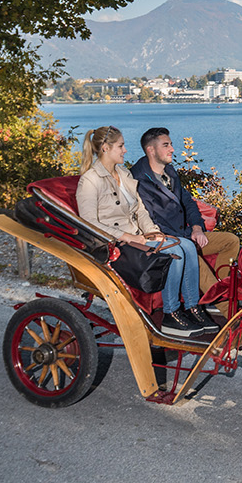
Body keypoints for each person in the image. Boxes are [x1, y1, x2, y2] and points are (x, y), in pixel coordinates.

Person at [74, 126, 211, 335]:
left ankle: (193, 307)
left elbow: (140, 208)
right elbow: (89, 222)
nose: (125, 150)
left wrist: (153, 231)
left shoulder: (123, 174)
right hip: (116, 244)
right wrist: (128, 237)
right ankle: (170, 314)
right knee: (175, 253)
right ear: (105, 148)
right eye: (120, 146)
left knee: (187, 247)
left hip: (139, 236)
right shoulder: (90, 181)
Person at [130, 126, 240, 326]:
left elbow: (188, 202)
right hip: (165, 240)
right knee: (192, 256)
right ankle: (231, 311)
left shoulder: (169, 171)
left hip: (186, 233)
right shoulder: (138, 180)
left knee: (230, 241)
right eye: (166, 145)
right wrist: (187, 239)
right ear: (151, 150)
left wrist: (197, 227)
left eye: (171, 144)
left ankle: (218, 296)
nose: (172, 149)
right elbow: (153, 221)